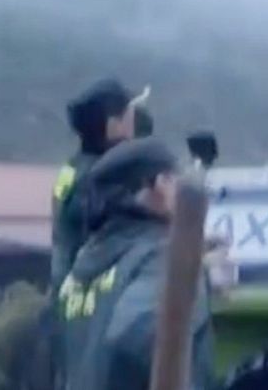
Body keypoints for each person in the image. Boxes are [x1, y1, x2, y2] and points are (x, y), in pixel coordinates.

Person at [58, 137, 214, 390]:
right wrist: (191, 277)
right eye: (176, 178)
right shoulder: (163, 255)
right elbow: (142, 337)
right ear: (161, 185)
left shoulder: (78, 270)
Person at [52, 80, 152, 288]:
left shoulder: (73, 167)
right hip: (96, 302)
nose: (135, 117)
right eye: (130, 111)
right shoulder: (107, 177)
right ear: (114, 125)